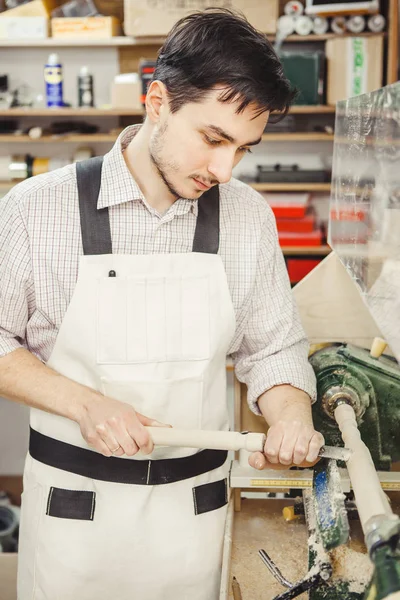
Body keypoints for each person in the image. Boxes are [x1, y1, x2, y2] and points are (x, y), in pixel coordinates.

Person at [0, 9, 324, 600]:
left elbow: (272, 349)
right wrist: (85, 403)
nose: (225, 170)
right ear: (158, 101)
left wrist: (292, 417)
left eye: (244, 149)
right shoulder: (35, 209)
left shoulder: (247, 217)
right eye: (213, 138)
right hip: (77, 519)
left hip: (193, 518)